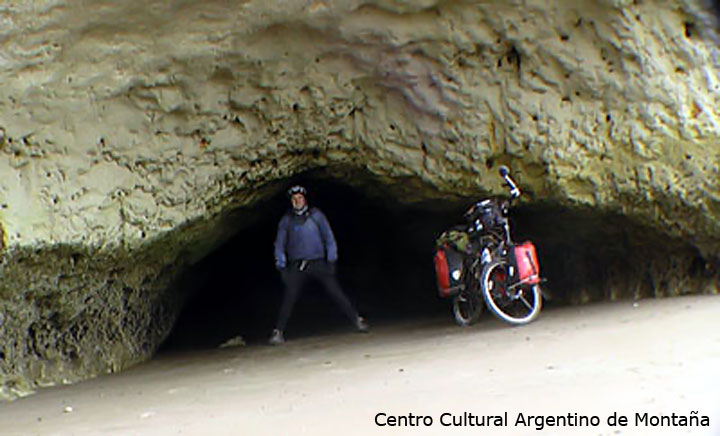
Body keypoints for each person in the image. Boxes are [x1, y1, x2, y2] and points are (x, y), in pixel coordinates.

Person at [270, 185, 368, 345]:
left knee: (336, 292)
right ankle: (278, 331)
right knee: (289, 298)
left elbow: (328, 237)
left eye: (300, 198)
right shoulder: (287, 220)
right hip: (298, 265)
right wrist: (281, 266)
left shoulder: (316, 215)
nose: (297, 201)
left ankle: (357, 320)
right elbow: (279, 244)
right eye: (294, 199)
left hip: (318, 262)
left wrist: (331, 260)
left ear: (305, 199)